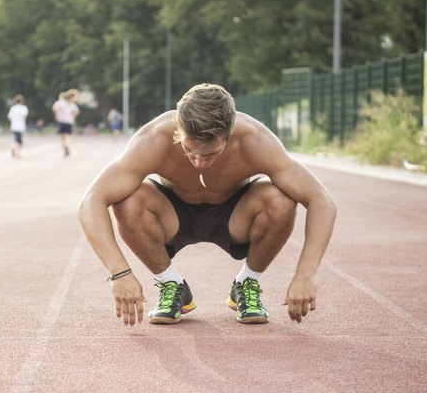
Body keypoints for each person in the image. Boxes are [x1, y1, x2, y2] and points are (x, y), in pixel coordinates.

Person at [77, 83, 336, 327]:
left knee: (280, 200)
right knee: (128, 201)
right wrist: (120, 274)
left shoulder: (255, 141)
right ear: (179, 129)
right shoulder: (155, 139)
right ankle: (171, 285)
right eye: (190, 149)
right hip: (173, 215)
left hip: (235, 215)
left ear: (229, 133)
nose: (199, 162)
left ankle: (247, 284)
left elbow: (321, 201)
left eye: (210, 153)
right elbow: (91, 201)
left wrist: (305, 274)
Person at [52, 89, 80, 156]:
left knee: (62, 137)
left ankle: (65, 149)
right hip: (69, 122)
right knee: (68, 136)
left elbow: (55, 108)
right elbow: (77, 111)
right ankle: (67, 144)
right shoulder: (72, 104)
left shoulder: (60, 102)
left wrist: (57, 114)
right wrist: (73, 116)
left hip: (62, 121)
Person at [7, 94, 29, 158]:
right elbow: (24, 117)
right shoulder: (24, 108)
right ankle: (18, 153)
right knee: (19, 141)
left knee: (15, 139)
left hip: (14, 126)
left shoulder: (13, 108)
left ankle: (13, 148)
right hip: (20, 126)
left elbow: (9, 117)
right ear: (22, 101)